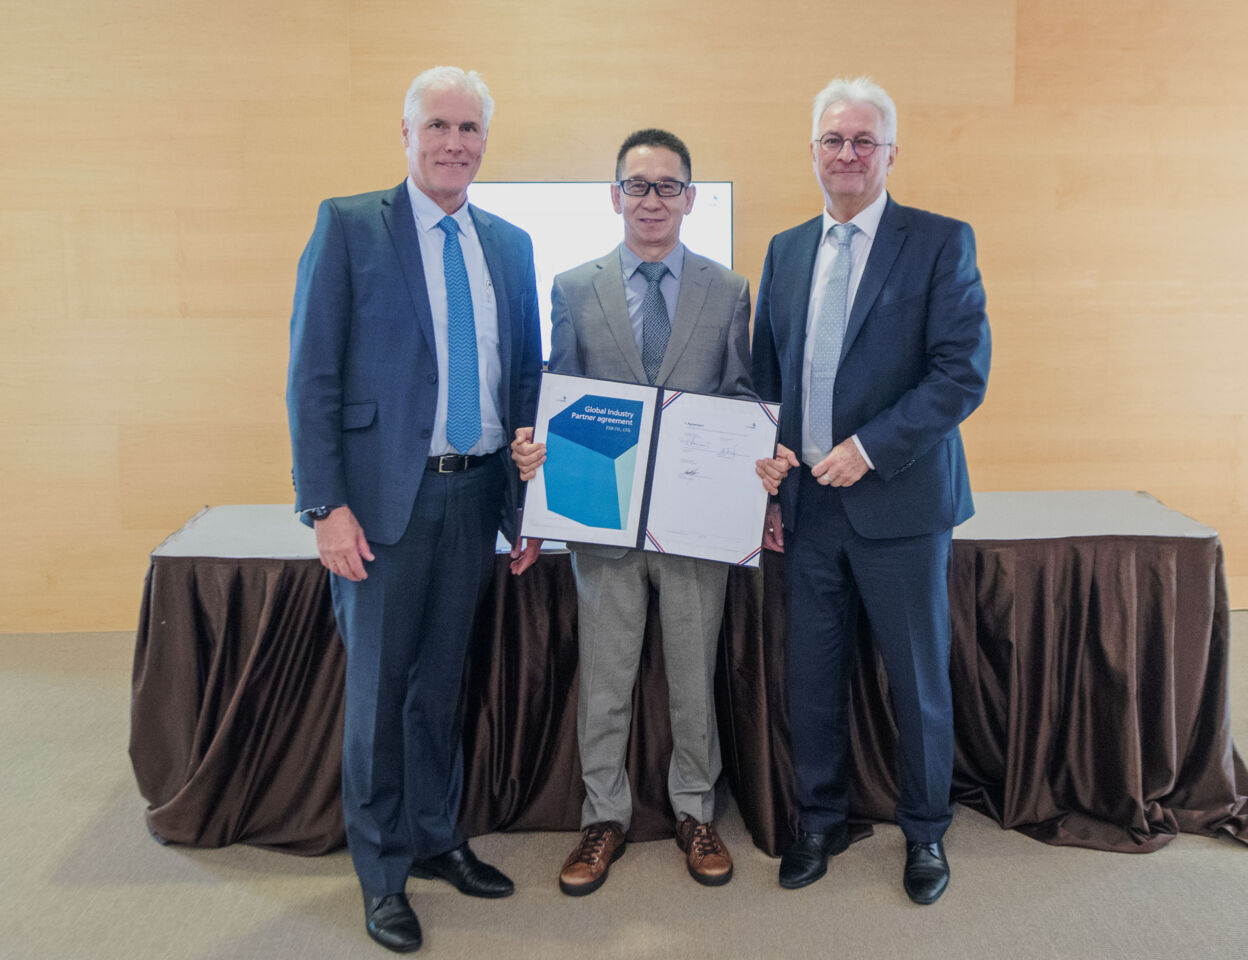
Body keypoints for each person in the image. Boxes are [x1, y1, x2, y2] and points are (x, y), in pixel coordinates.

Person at [285, 66, 542, 953]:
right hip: (382, 507)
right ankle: (383, 872)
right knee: (378, 697)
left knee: (441, 685)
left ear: (484, 141)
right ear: (406, 133)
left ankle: (436, 837)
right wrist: (325, 505)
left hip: (475, 494)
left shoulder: (509, 244)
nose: (454, 143)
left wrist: (524, 505)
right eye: (438, 125)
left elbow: (524, 381)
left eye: (469, 128)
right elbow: (312, 377)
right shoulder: (350, 226)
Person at [752, 76, 991, 905]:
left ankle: (924, 830)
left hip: (902, 504)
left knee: (916, 678)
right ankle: (820, 820)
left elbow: (961, 374)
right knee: (812, 675)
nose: (847, 154)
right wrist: (769, 473)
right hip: (808, 509)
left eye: (863, 141)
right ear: (812, 152)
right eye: (833, 140)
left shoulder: (939, 242)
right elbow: (767, 381)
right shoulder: (785, 250)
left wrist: (869, 448)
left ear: (891, 153)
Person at [510, 129, 753, 894]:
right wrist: (537, 453)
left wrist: (755, 455)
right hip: (602, 520)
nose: (652, 200)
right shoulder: (572, 288)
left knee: (693, 679)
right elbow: (559, 393)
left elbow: (741, 397)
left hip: (693, 527)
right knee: (607, 680)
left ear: (690, 198)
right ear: (615, 196)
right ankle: (603, 817)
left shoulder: (729, 289)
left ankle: (695, 811)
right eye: (638, 186)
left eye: (668, 186)